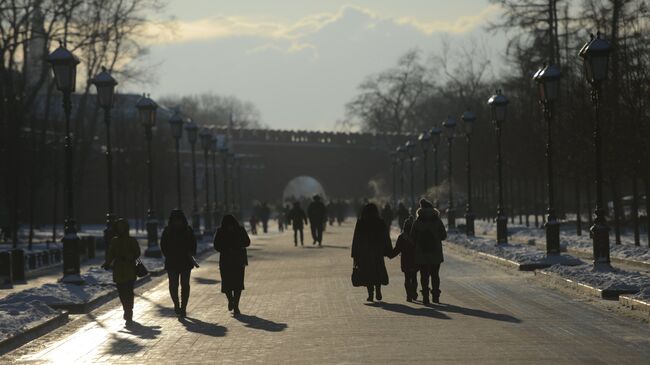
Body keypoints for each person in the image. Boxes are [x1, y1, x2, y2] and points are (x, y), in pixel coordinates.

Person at [351, 203, 392, 302]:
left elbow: (356, 238)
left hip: (364, 252)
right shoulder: (380, 222)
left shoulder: (361, 222)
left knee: (367, 271)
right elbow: (386, 236)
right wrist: (388, 250)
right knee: (377, 270)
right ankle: (378, 290)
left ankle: (370, 294)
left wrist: (355, 253)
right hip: (377, 251)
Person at [102, 218, 141, 325]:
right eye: (119, 228)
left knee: (128, 291)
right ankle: (126, 308)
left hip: (130, 269)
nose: (121, 229)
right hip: (118, 270)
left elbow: (137, 253)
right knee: (121, 292)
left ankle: (129, 310)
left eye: (122, 227)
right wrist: (107, 263)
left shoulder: (131, 240)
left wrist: (129, 257)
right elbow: (111, 254)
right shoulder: (114, 241)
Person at [160, 209, 197, 317]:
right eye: (175, 220)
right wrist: (168, 254)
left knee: (185, 285)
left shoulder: (188, 230)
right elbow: (163, 245)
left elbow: (193, 244)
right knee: (173, 285)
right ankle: (177, 304)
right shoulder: (167, 231)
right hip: (172, 262)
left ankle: (183, 307)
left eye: (179, 220)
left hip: (185, 262)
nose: (177, 222)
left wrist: (191, 253)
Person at [410, 199, 447, 305]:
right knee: (435, 275)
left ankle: (425, 297)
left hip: (421, 253)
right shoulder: (437, 221)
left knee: (424, 275)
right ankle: (435, 296)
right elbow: (444, 235)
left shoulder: (417, 222)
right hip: (435, 252)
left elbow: (412, 238)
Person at [213, 214, 250, 316]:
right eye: (228, 224)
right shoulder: (220, 231)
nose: (230, 226)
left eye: (231, 224)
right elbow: (216, 245)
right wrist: (226, 248)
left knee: (237, 285)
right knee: (227, 284)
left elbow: (247, 242)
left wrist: (236, 246)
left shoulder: (240, 230)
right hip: (227, 261)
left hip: (237, 261)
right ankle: (231, 300)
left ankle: (236, 305)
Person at [388, 216, 418, 302]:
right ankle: (414, 292)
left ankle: (409, 295)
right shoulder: (415, 236)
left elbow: (397, 249)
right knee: (414, 277)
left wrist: (390, 255)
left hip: (405, 260)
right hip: (415, 260)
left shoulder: (402, 237)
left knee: (407, 278)